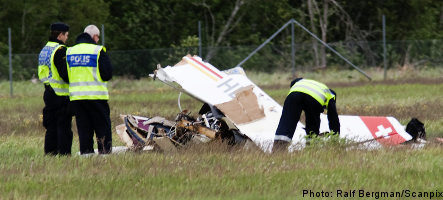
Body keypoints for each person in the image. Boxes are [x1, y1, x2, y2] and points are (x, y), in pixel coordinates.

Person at [65, 25, 113, 154]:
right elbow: (107, 74)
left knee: (84, 129)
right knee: (102, 128)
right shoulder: (97, 50)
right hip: (96, 97)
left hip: (77, 98)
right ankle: (104, 154)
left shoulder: (70, 51)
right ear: (95, 37)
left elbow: (65, 74)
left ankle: (86, 155)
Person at [273, 78, 340, 151]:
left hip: (294, 94)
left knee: (287, 121)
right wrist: (335, 137)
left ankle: (278, 149)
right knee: (313, 123)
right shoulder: (331, 95)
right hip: (313, 100)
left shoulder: (306, 81)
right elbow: (333, 119)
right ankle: (311, 147)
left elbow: (294, 82)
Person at [38, 22, 73, 155]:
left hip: (48, 92)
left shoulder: (45, 49)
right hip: (60, 94)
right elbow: (65, 74)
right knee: (63, 127)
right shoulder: (60, 50)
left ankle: (50, 153)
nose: (67, 38)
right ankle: (64, 155)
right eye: (66, 35)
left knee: (51, 126)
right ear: (60, 35)